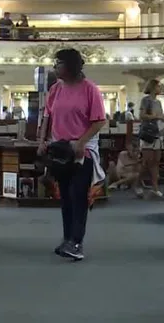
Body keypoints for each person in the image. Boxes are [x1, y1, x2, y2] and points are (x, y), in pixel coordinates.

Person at [38, 48, 106, 261]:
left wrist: (82, 141)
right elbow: (47, 117)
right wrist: (42, 141)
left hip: (82, 151)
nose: (54, 67)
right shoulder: (55, 89)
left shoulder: (90, 89)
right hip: (60, 150)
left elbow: (99, 121)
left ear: (70, 65)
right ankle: (67, 238)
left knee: (78, 196)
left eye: (58, 63)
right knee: (65, 197)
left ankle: (76, 243)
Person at [138, 79, 164, 198]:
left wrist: (162, 117)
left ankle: (155, 187)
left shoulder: (159, 102)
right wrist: (155, 117)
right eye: (158, 86)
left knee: (156, 161)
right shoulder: (146, 100)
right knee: (147, 161)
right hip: (148, 133)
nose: (160, 88)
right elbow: (142, 116)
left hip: (158, 132)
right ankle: (137, 183)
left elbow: (159, 116)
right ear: (153, 87)